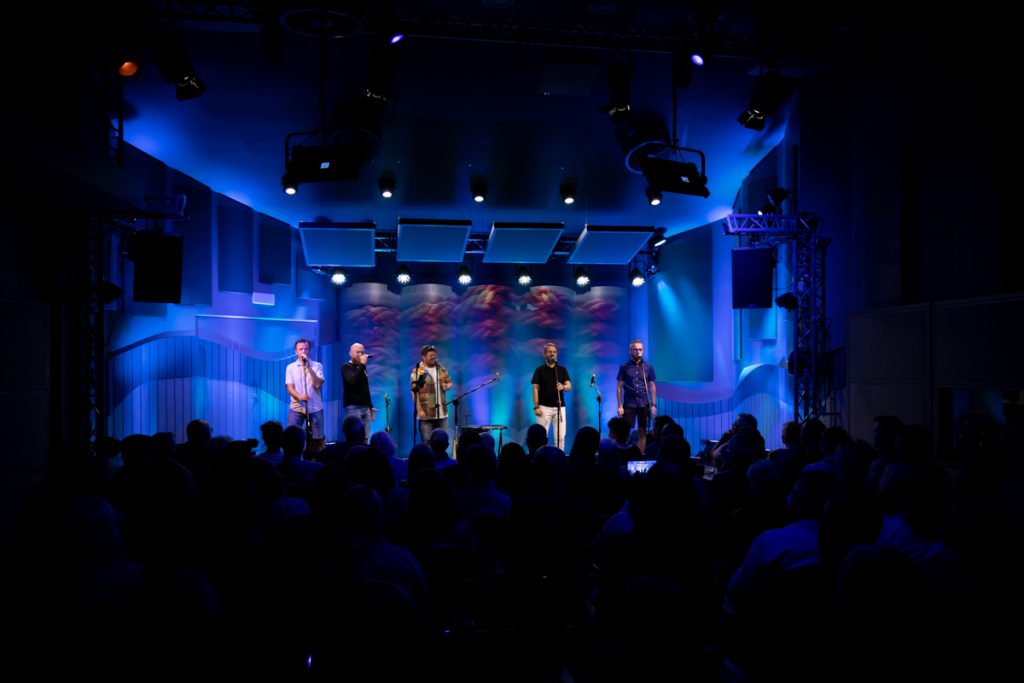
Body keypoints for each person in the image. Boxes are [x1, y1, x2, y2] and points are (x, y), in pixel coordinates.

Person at [285, 338, 325, 455]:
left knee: (318, 439)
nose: (303, 351)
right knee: (292, 437)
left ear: (310, 350)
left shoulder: (317, 366)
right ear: (296, 351)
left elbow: (317, 384)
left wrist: (308, 366)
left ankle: (317, 460)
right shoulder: (290, 367)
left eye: (306, 349)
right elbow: (289, 387)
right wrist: (299, 395)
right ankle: (293, 460)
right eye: (301, 349)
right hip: (297, 407)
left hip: (315, 408)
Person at [616, 339, 657, 453]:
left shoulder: (648, 367)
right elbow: (619, 388)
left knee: (642, 431)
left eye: (640, 349)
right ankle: (625, 455)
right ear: (630, 351)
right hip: (629, 403)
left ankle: (640, 455)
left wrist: (653, 405)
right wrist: (620, 406)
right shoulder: (624, 367)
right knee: (626, 431)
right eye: (635, 349)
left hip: (643, 403)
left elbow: (652, 386)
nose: (638, 352)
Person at [531, 342, 571, 451]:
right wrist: (536, 406)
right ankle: (539, 457)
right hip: (543, 407)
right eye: (550, 352)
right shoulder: (539, 370)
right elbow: (535, 388)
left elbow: (569, 386)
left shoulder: (561, 370)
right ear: (545, 354)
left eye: (554, 352)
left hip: (560, 407)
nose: (552, 354)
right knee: (540, 437)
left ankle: (559, 458)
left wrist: (563, 386)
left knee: (560, 437)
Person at [410, 344, 453, 443]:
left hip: (442, 414)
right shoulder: (418, 371)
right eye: (431, 355)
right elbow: (414, 392)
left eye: (434, 355)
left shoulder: (442, 369)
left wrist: (447, 386)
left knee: (443, 442)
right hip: (426, 414)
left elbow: (449, 382)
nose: (434, 357)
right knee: (427, 443)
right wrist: (419, 410)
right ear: (424, 357)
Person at [341, 342, 376, 442]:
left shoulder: (362, 368)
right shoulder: (346, 367)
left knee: (366, 436)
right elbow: (352, 380)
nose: (360, 354)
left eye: (362, 352)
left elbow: (365, 388)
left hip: (365, 407)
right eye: (357, 352)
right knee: (355, 436)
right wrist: (362, 365)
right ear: (350, 353)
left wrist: (370, 406)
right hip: (354, 407)